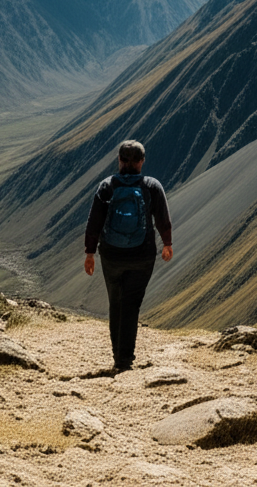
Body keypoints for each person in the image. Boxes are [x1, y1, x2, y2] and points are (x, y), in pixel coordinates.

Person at [83, 139, 173, 371]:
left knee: (116, 303)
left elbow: (94, 222)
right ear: (142, 162)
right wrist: (167, 244)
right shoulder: (152, 186)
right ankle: (125, 360)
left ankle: (117, 357)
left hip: (111, 255)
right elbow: (162, 218)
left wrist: (90, 253)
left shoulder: (106, 186)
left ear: (120, 161)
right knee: (131, 304)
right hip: (142, 255)